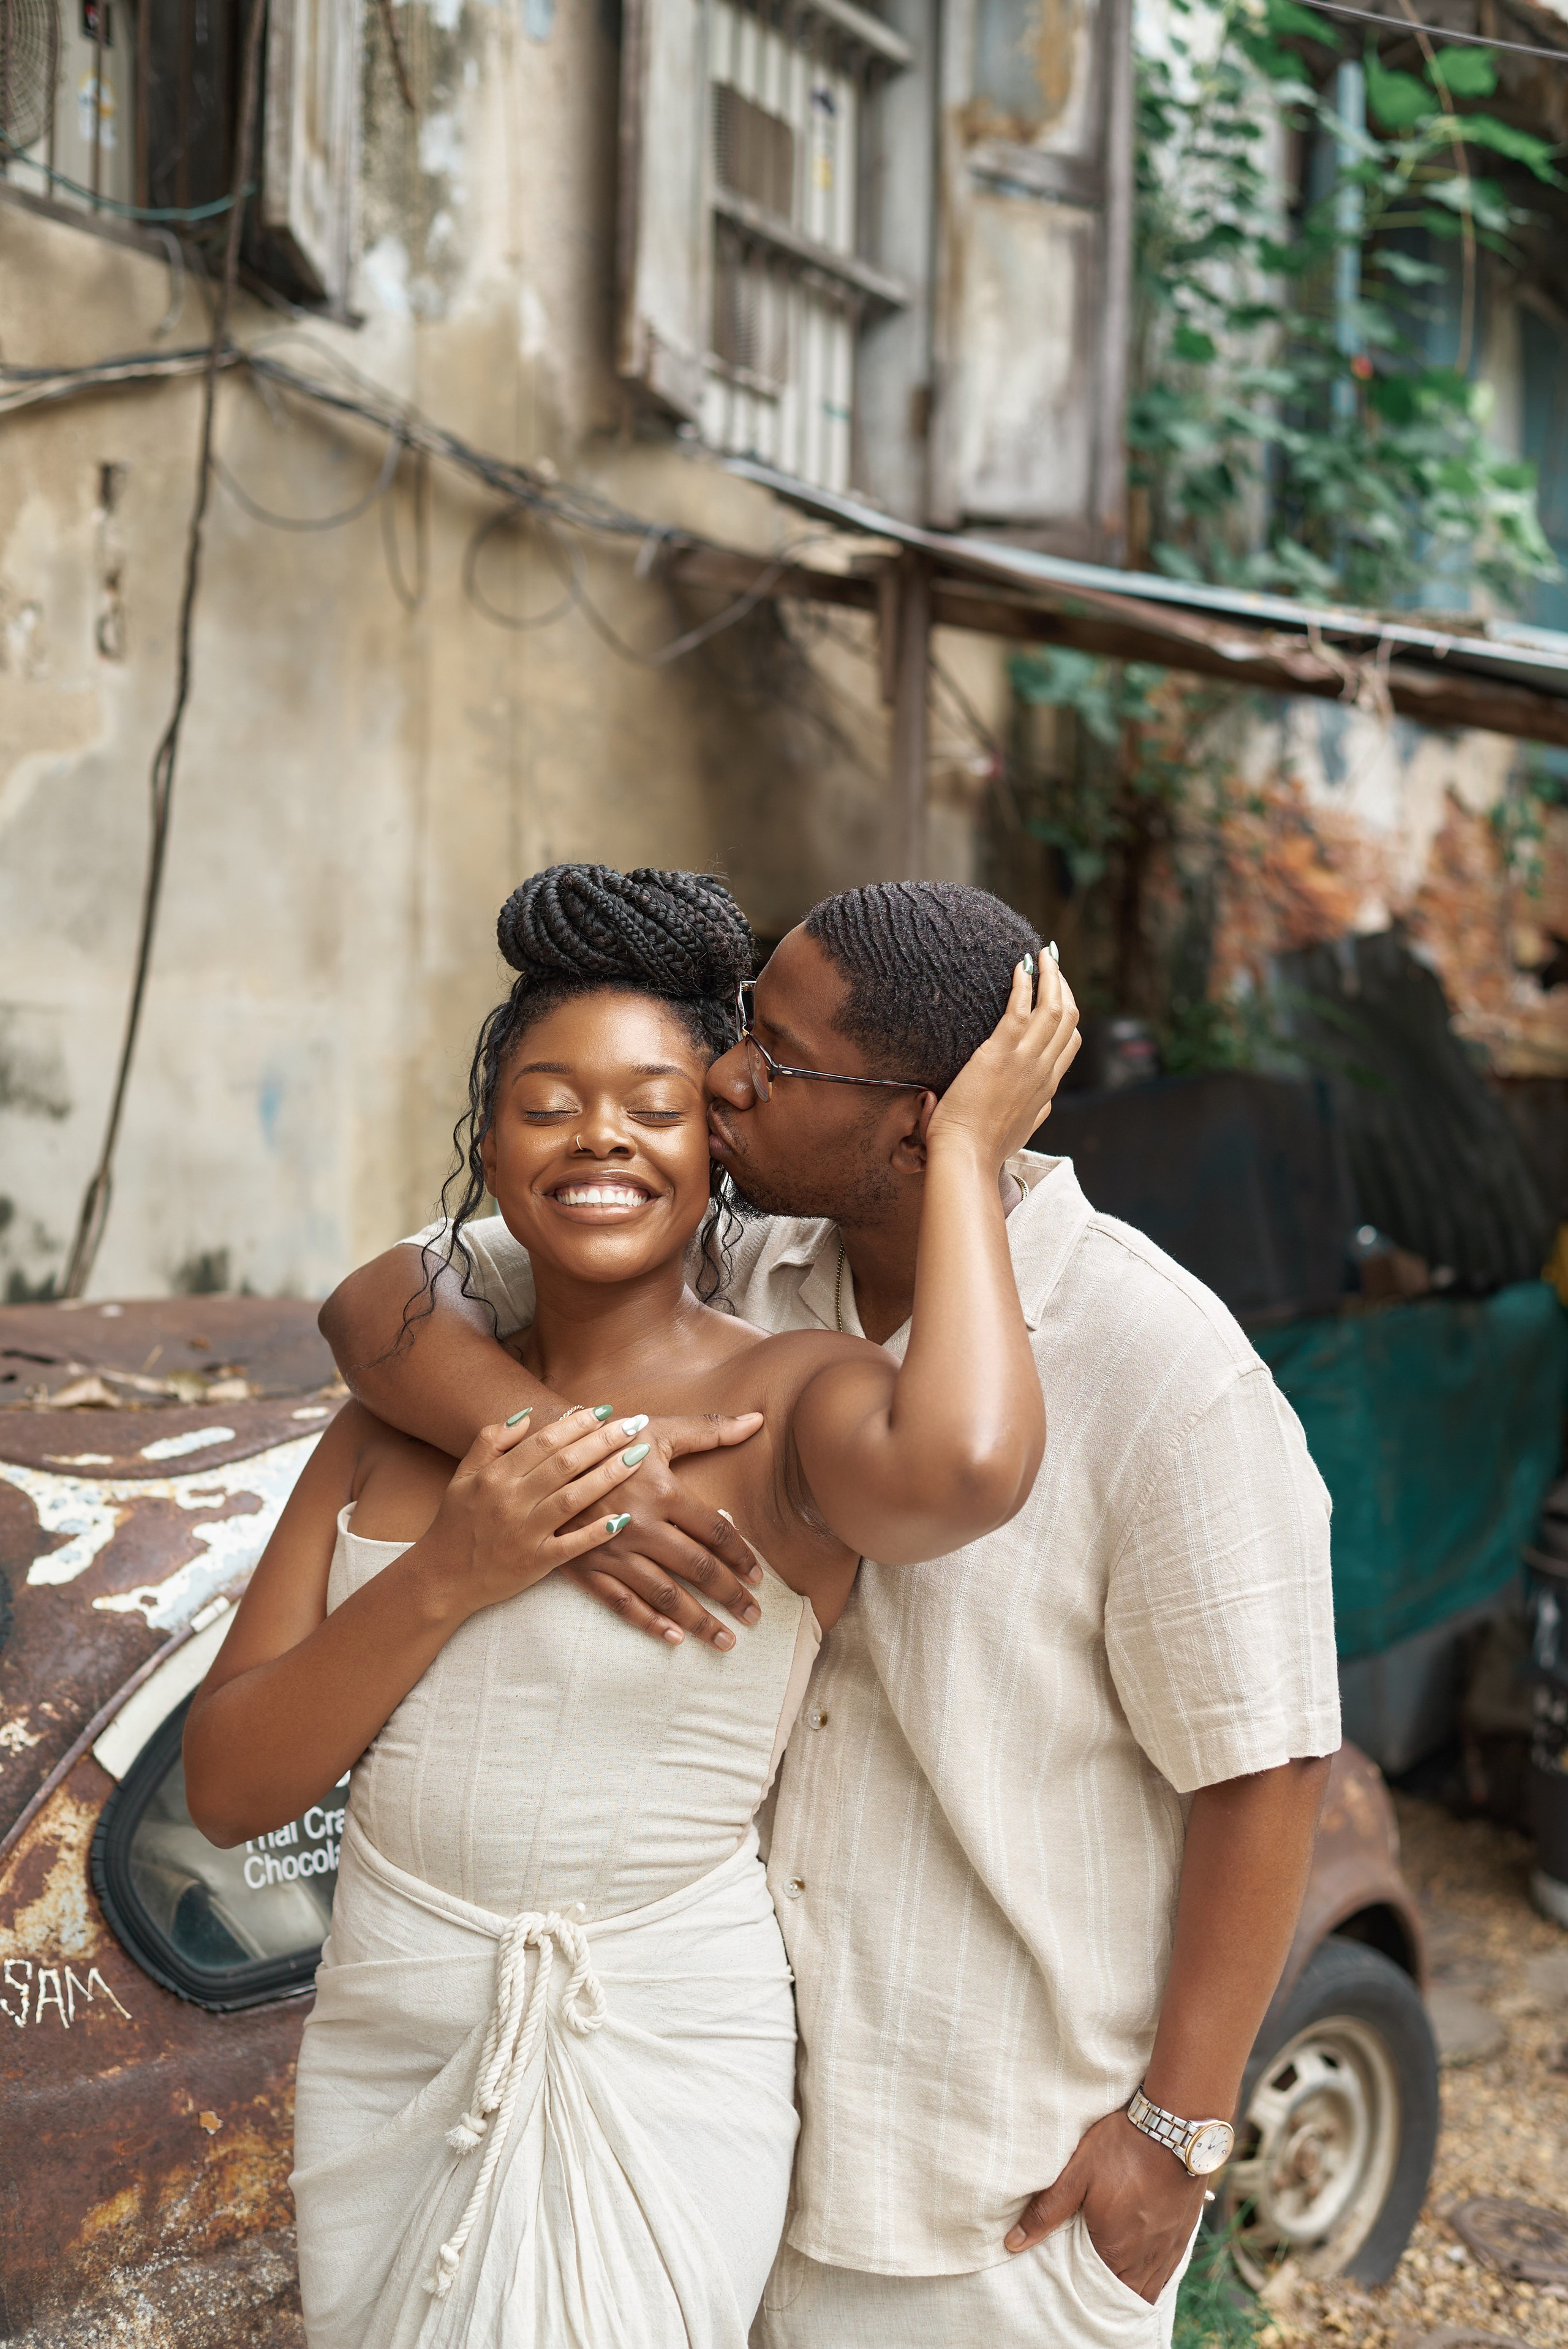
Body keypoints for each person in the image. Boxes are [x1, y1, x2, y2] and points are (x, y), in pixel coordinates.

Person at [323, 876, 1341, 2349]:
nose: (722, 1076)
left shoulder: (1162, 1370)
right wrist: (590, 1479)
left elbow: (1266, 1767)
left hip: (992, 2188)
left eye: (775, 1059)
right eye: (743, 1027)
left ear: (928, 1125)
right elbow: (380, 1307)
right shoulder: (740, 1265)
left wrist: (1172, 2138)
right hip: (715, 2124)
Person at [183, 864, 1080, 2349]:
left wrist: (971, 1145)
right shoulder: (396, 1413)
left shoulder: (786, 1402)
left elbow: (972, 1465)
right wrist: (463, 1562)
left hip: (658, 2034)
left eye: (654, 1107)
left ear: (716, 1143)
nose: (600, 1135)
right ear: (487, 1137)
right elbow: (227, 1786)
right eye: (548, 1104)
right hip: (395, 2026)